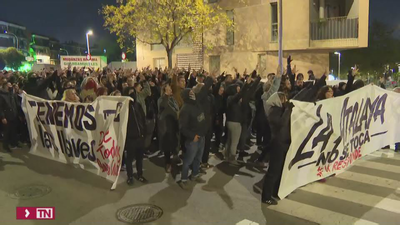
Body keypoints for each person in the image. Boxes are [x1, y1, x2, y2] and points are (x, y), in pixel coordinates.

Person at [178, 76, 212, 189]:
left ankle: (195, 174)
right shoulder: (185, 109)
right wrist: (193, 136)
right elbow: (182, 128)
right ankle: (183, 179)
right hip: (193, 139)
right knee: (188, 160)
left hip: (201, 136)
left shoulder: (196, 103)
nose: (193, 94)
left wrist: (210, 78)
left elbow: (204, 90)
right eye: (191, 93)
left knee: (198, 158)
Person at [124, 87, 148, 185]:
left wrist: (144, 133)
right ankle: (130, 176)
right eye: (129, 92)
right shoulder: (124, 108)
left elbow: (143, 119)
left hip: (140, 137)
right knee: (129, 159)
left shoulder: (138, 105)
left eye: (133, 92)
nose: (132, 94)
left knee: (139, 158)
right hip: (130, 138)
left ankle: (140, 174)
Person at [158, 83, 180, 173]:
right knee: (167, 144)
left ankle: (174, 156)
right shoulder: (162, 100)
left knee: (174, 141)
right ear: (164, 90)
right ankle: (167, 163)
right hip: (166, 125)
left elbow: (176, 108)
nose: (171, 90)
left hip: (174, 123)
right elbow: (162, 107)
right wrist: (165, 96)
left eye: (170, 88)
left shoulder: (172, 98)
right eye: (168, 89)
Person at [0, 81, 22, 152]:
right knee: (7, 131)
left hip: (14, 114)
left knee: (13, 130)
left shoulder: (12, 94)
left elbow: (16, 104)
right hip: (7, 116)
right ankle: (5, 146)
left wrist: (18, 114)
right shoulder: (1, 95)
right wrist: (3, 117)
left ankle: (14, 143)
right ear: (5, 86)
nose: (10, 86)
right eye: (9, 85)